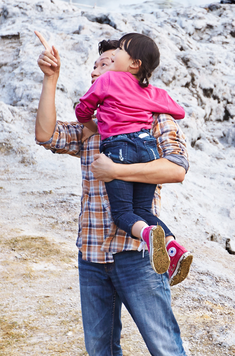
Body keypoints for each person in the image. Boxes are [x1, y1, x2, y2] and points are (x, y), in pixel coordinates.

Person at [34, 31, 192, 356]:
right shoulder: (95, 127)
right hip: (91, 254)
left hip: (138, 255)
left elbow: (176, 169)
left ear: (127, 70)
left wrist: (116, 170)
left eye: (107, 63)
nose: (96, 71)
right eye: (94, 66)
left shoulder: (151, 116)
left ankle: (169, 247)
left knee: (167, 355)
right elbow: (46, 135)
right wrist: (51, 79)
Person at [74, 33, 188, 275]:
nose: (115, 54)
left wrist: (94, 125)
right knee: (144, 210)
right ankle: (173, 247)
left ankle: (147, 234)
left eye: (122, 50)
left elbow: (83, 109)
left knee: (124, 213)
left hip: (118, 148)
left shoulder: (107, 81)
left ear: (134, 63)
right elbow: (178, 111)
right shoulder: (153, 92)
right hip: (148, 148)